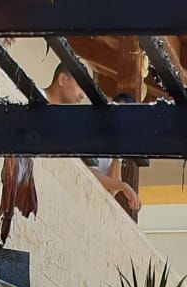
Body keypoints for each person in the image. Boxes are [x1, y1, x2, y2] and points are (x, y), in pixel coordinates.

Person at [43, 66, 141, 215]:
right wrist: (122, 185)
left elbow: (109, 191)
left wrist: (118, 157)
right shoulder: (83, 128)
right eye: (80, 86)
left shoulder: (70, 125)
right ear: (62, 80)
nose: (82, 95)